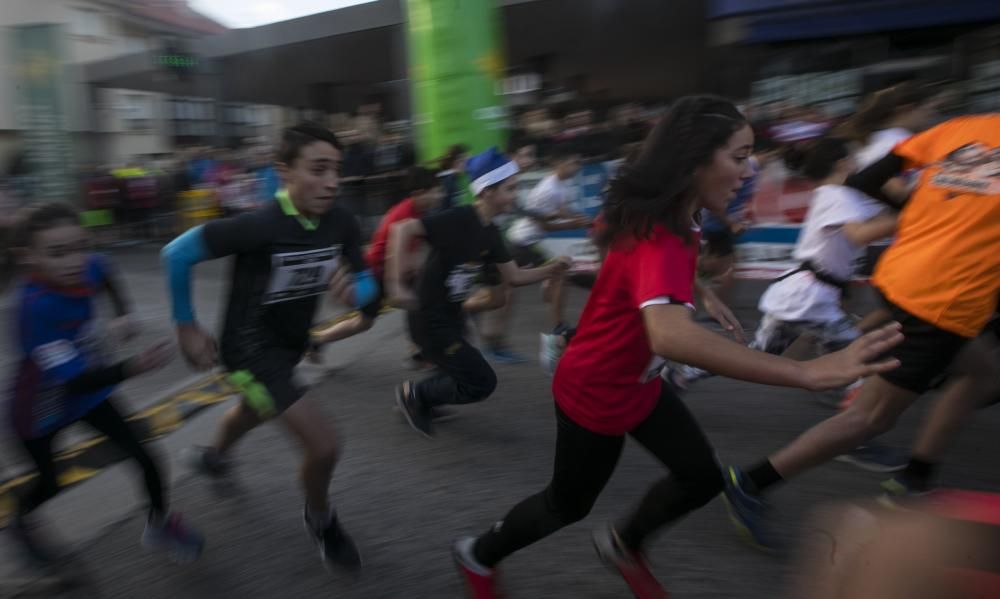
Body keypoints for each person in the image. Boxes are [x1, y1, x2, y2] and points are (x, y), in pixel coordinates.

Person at [450, 96, 904, 599]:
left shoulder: (672, 213)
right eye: (739, 156)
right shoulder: (663, 230)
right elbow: (670, 335)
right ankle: (478, 553)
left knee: (701, 478)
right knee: (568, 505)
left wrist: (698, 289)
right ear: (694, 159)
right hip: (596, 391)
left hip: (641, 385)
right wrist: (808, 372)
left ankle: (625, 544)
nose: (750, 169)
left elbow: (638, 268)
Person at [725, 113, 1000, 550]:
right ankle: (752, 482)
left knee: (981, 373)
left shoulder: (961, 128)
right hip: (946, 298)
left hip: (904, 274)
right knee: (871, 418)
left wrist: (929, 215)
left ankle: (916, 476)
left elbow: (869, 177)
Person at [161, 122, 377, 572]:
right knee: (324, 446)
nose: (332, 181)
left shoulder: (341, 220)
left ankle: (213, 457)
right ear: (284, 172)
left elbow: (367, 284)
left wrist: (357, 290)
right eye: (318, 170)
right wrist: (187, 326)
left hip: (290, 346)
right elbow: (176, 255)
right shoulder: (259, 225)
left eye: (336, 170)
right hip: (247, 353)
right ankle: (321, 519)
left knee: (255, 409)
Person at [668, 137, 906, 472]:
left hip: (804, 294)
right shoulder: (835, 195)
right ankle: (856, 438)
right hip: (810, 297)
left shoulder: (843, 196)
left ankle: (682, 375)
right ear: (842, 165)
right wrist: (911, 212)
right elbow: (859, 235)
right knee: (861, 357)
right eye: (854, 160)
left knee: (755, 356)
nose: (859, 165)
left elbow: (879, 214)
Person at [4, 202, 203, 567]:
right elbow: (77, 380)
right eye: (57, 253)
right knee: (49, 484)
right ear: (29, 258)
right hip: (39, 408)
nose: (73, 261)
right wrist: (132, 366)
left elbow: (106, 270)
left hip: (86, 394)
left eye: (79, 246)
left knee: (147, 457)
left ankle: (158, 523)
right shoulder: (34, 308)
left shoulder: (89, 266)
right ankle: (21, 521)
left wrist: (122, 311)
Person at [386, 147, 571, 439]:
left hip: (451, 319)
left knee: (465, 371)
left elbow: (514, 277)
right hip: (428, 318)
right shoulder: (459, 218)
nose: (515, 195)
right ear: (486, 191)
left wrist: (552, 269)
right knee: (481, 381)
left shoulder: (491, 233)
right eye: (510, 189)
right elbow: (402, 230)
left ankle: (424, 397)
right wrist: (396, 285)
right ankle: (415, 395)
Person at [308, 167, 444, 365]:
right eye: (436, 191)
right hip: (376, 274)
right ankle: (420, 350)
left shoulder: (418, 211)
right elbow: (392, 257)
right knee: (374, 318)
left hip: (385, 271)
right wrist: (402, 280)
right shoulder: (404, 215)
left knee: (368, 321)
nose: (440, 195)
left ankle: (318, 340)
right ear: (419, 193)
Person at [482, 146, 590, 363]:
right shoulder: (547, 189)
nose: (577, 167)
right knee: (557, 274)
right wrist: (574, 223)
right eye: (573, 162)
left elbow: (558, 213)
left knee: (509, 294)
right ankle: (557, 326)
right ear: (559, 164)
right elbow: (545, 225)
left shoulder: (561, 186)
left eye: (579, 162)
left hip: (526, 243)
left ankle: (493, 337)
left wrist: (577, 218)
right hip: (521, 243)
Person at [438, 144, 470, 211]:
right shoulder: (448, 182)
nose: (468, 166)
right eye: (467, 161)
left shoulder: (450, 179)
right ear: (457, 161)